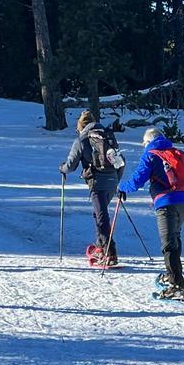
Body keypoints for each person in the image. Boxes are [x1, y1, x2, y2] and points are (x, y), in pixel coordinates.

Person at [118, 128, 184, 299]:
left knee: (169, 244)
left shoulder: (151, 155)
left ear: (148, 142)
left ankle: (176, 286)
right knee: (175, 239)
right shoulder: (179, 153)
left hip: (166, 202)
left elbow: (136, 182)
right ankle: (172, 277)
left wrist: (120, 187)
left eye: (144, 143)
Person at [59, 110, 125, 266]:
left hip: (97, 182)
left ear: (80, 126)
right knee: (99, 215)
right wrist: (116, 180)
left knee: (101, 217)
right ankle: (100, 247)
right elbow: (121, 161)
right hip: (112, 180)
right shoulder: (108, 137)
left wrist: (61, 168)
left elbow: (70, 166)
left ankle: (109, 253)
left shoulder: (82, 140)